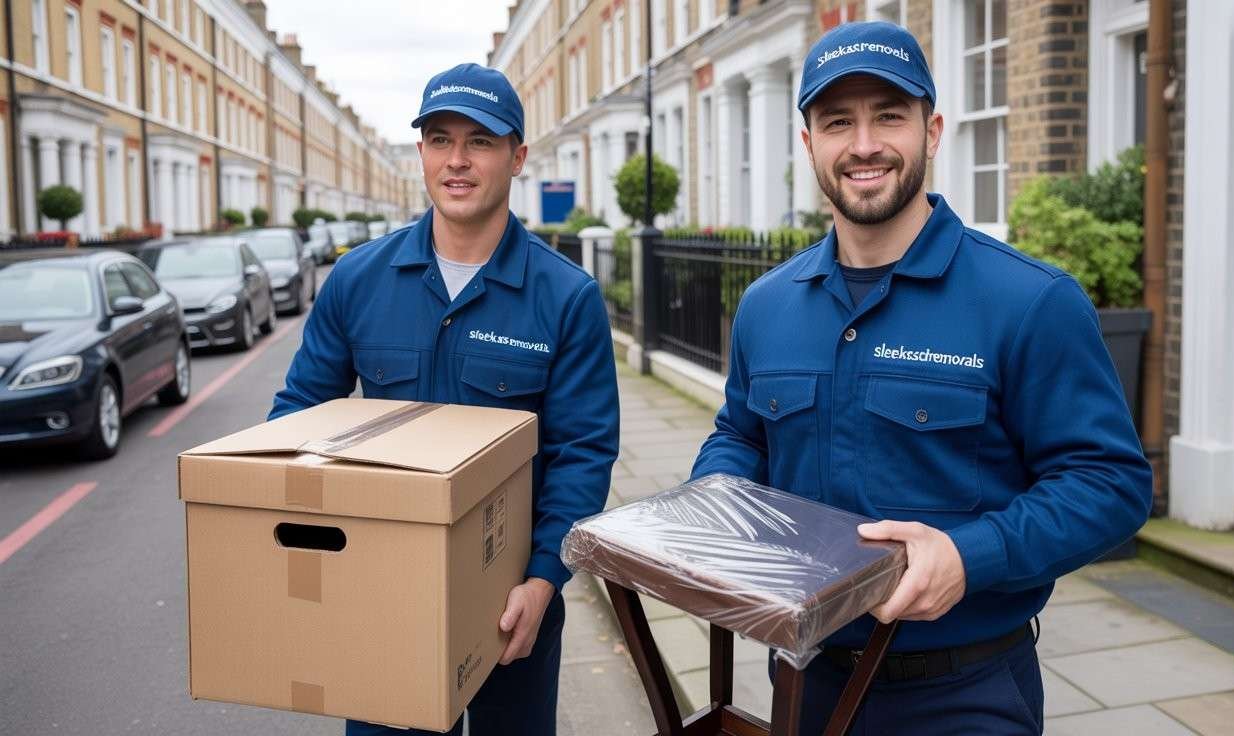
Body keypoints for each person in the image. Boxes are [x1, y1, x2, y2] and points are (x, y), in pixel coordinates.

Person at [690, 22, 1152, 735]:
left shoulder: (1030, 301)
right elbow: (741, 436)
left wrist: (970, 556)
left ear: (932, 132)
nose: (864, 144)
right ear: (809, 143)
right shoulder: (767, 305)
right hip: (804, 683)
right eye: (837, 122)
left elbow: (1110, 484)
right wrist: (708, 505)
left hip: (964, 693)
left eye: (889, 116)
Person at [269, 63, 620, 736]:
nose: (456, 160)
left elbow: (582, 453)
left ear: (517, 156)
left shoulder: (565, 296)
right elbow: (297, 415)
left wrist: (544, 579)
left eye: (479, 141)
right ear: (422, 152)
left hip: (510, 601)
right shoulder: (358, 279)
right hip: (379, 593)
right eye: (440, 140)